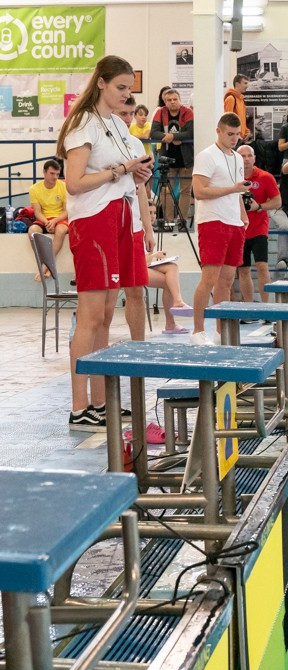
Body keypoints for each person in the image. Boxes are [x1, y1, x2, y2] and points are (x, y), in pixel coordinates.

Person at [57, 55, 154, 430]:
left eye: (130, 89)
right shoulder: (83, 124)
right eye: (121, 87)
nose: (127, 95)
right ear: (101, 83)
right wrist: (120, 170)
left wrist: (137, 172)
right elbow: (76, 182)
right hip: (93, 221)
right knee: (91, 314)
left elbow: (129, 173)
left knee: (107, 315)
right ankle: (79, 406)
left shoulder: (116, 124)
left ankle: (99, 402)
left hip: (120, 217)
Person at [190, 113, 249, 344]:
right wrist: (232, 190)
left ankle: (219, 331)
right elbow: (199, 192)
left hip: (234, 223)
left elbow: (239, 190)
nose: (234, 139)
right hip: (213, 221)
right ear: (219, 130)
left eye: (237, 135)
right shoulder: (206, 156)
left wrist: (243, 215)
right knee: (209, 279)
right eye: (230, 134)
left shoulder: (236, 158)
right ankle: (197, 331)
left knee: (226, 281)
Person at [115, 96, 158, 342]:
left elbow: (141, 189)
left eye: (131, 113)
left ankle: (138, 345)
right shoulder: (101, 141)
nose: (128, 118)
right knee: (108, 294)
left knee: (136, 291)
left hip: (132, 227)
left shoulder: (135, 144)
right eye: (123, 113)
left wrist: (148, 229)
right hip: (108, 224)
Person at [237, 144, 281, 304]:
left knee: (262, 266)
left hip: (259, 229)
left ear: (255, 158)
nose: (246, 159)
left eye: (249, 156)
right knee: (243, 269)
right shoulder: (232, 178)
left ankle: (265, 305)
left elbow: (277, 201)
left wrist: (259, 206)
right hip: (239, 230)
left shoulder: (265, 177)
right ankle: (249, 307)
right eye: (242, 156)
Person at [150, 88, 194, 225]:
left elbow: (191, 133)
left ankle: (182, 222)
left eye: (175, 99)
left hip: (186, 158)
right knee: (166, 192)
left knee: (185, 191)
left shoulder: (188, 112)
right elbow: (154, 133)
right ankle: (169, 222)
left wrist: (173, 136)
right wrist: (169, 138)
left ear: (180, 100)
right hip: (166, 158)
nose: (173, 102)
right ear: (165, 102)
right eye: (169, 100)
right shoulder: (160, 112)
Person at [27, 159, 70, 272]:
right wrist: (47, 222)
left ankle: (46, 266)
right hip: (44, 219)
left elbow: (66, 211)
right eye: (52, 173)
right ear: (44, 172)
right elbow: (37, 212)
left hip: (60, 218)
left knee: (60, 231)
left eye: (57, 174)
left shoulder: (64, 187)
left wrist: (55, 221)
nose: (55, 177)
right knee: (32, 231)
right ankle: (43, 262)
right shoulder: (34, 189)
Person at [223, 74, 250, 142]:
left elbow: (242, 120)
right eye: (245, 83)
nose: (247, 86)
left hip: (241, 138)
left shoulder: (241, 100)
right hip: (234, 139)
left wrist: (247, 131)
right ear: (237, 84)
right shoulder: (231, 99)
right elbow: (227, 121)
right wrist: (235, 135)